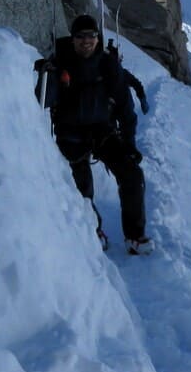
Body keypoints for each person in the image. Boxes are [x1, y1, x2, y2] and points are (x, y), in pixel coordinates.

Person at [40, 14, 154, 255]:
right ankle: (92, 228)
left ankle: (134, 235)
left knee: (131, 173)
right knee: (82, 185)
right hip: (70, 132)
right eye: (80, 36)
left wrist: (129, 144)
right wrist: (47, 76)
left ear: (97, 38)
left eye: (91, 36)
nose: (86, 41)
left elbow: (125, 108)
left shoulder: (108, 65)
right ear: (72, 39)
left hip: (103, 130)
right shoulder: (60, 63)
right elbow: (43, 101)